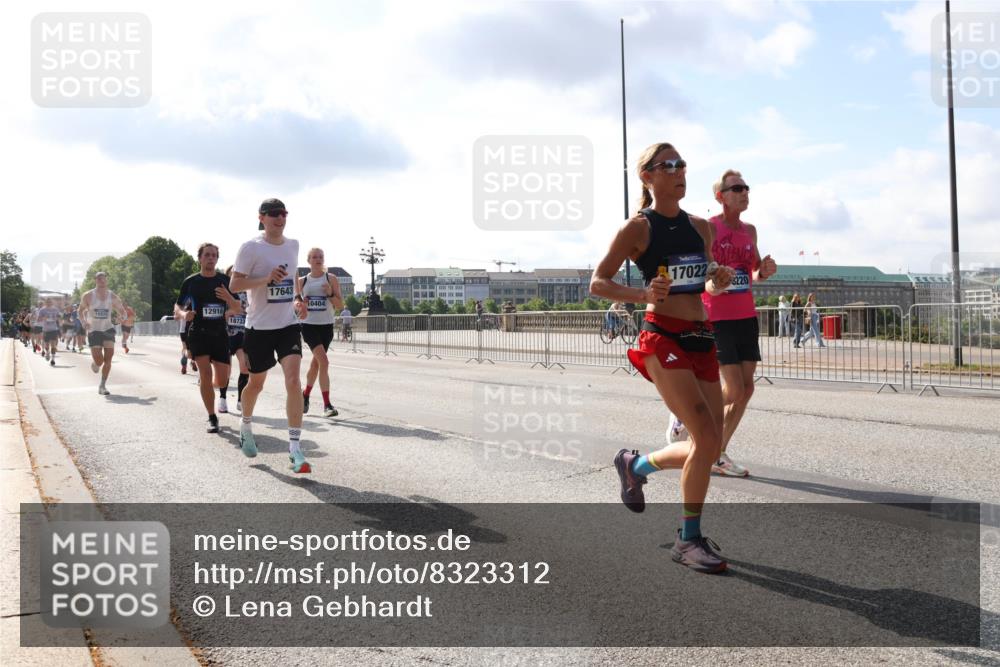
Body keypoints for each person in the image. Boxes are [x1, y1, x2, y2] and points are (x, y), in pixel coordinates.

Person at [592, 141, 734, 574]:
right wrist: (641, 293)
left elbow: (705, 284)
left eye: (682, 163)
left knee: (707, 448)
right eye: (668, 165)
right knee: (706, 436)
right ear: (648, 176)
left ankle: (633, 466)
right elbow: (598, 282)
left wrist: (718, 282)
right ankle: (688, 541)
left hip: (699, 336)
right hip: (662, 338)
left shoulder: (701, 228)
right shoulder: (638, 229)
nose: (679, 170)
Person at [693, 169, 777, 478]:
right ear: (720, 196)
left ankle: (718, 453)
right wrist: (715, 285)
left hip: (746, 316)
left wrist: (764, 271)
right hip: (717, 317)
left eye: (746, 187)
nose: (744, 192)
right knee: (735, 388)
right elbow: (702, 277)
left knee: (747, 389)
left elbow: (752, 271)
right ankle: (687, 414)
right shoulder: (708, 229)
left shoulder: (750, 231)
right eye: (737, 188)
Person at [229, 198, 311, 473]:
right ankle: (246, 424)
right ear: (261, 217)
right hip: (259, 328)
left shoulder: (293, 245)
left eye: (284, 213)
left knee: (293, 380)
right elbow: (235, 283)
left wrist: (298, 298)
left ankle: (295, 448)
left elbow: (294, 274)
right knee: (256, 384)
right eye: (274, 214)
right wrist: (265, 280)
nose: (280, 218)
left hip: (287, 325)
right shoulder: (251, 248)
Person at [175, 243, 241, 433]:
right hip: (199, 333)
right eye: (207, 255)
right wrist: (183, 314)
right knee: (205, 374)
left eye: (214, 255)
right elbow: (177, 306)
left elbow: (238, 308)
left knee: (221, 381)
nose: (211, 258)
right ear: (200, 258)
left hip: (220, 333)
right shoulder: (191, 282)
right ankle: (212, 416)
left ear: (217, 258)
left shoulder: (225, 280)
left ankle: (206, 386)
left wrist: (229, 299)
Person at [299, 247, 345, 418]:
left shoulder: (331, 278)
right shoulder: (302, 281)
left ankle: (305, 395)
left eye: (321, 257)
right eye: (314, 257)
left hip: (326, 326)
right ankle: (327, 405)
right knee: (324, 362)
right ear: (308, 260)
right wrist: (300, 303)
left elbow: (340, 304)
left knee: (316, 364)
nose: (318, 259)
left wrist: (330, 293)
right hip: (309, 326)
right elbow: (294, 305)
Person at [78, 272, 127, 395]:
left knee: (108, 359)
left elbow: (122, 311)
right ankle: (95, 363)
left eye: (103, 278)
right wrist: (84, 322)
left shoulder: (113, 296)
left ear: (106, 280)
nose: (101, 280)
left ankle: (102, 385)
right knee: (99, 361)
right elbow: (80, 311)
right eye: (99, 278)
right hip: (94, 330)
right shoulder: (88, 296)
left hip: (108, 329)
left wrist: (122, 317)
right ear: (95, 280)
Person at [224, 266, 250, 413]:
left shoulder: (249, 292)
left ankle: (241, 399)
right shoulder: (225, 292)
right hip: (226, 334)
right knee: (226, 370)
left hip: (242, 333)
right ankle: (222, 398)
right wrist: (229, 313)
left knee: (244, 366)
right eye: (233, 273)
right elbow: (220, 312)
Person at [37, 298, 63, 366]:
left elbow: (59, 317)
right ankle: (47, 352)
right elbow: (38, 320)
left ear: (52, 303)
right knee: (46, 345)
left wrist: (58, 319)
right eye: (48, 302)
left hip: (54, 329)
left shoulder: (55, 309)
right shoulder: (42, 310)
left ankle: (53, 360)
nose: (49, 303)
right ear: (45, 303)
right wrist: (43, 318)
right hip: (46, 330)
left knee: (53, 345)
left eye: (50, 302)